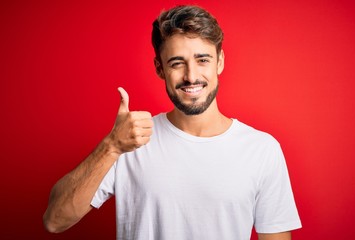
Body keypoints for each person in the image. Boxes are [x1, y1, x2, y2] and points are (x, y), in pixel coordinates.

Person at [43, 5, 301, 240]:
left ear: (219, 61)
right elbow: (55, 220)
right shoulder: (129, 142)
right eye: (177, 63)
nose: (191, 76)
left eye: (202, 60)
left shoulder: (261, 149)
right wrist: (111, 146)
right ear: (159, 68)